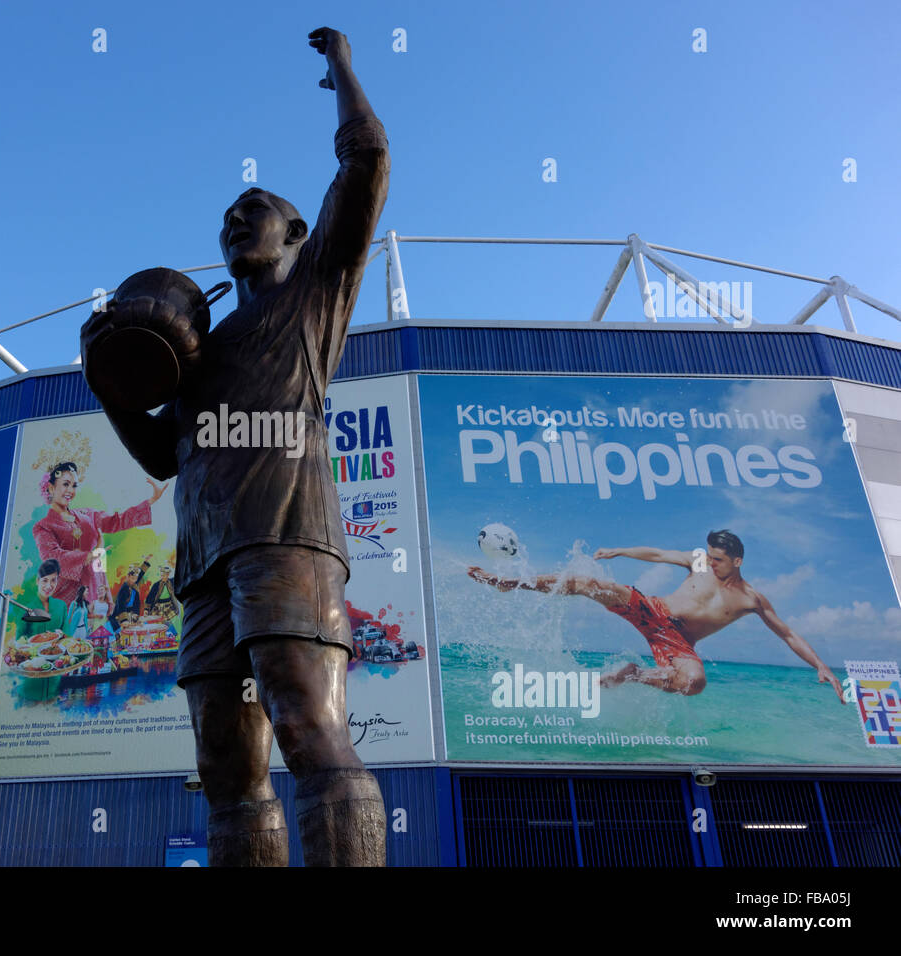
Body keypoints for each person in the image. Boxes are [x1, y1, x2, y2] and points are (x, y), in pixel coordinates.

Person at [82, 27, 389, 866]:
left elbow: (366, 160)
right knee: (226, 769)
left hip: (287, 542)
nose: (235, 220)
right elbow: (158, 457)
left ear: (295, 232)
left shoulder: (315, 293)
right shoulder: (199, 355)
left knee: (306, 727)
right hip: (205, 568)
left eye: (254, 210)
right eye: (226, 219)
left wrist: (341, 68)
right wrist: (109, 388)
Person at [466, 529, 845, 702]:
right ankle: (511, 583)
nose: (710, 563)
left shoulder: (752, 599)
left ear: (738, 562)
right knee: (587, 582)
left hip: (676, 642)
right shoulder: (698, 561)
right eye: (709, 556)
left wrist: (820, 665)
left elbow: (788, 633)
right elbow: (659, 555)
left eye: (718, 560)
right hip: (653, 609)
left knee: (694, 682)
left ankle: (632, 675)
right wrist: (619, 550)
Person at [31, 459, 167, 608]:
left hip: (95, 594)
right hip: (65, 600)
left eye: (74, 485)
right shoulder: (43, 527)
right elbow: (52, 557)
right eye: (65, 484)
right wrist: (88, 556)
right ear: (51, 488)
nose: (70, 490)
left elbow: (116, 521)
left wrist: (150, 501)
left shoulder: (88, 515)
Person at [17, 559, 68, 639]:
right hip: (31, 650)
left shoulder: (61, 606)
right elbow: (19, 640)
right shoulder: (26, 608)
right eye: (45, 580)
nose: (49, 586)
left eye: (53, 580)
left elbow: (66, 636)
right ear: (37, 581)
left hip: (58, 650)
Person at [109, 557, 151, 629]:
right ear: (128, 576)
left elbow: (140, 574)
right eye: (132, 578)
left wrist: (145, 562)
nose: (134, 580)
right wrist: (124, 620)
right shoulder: (124, 588)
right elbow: (121, 605)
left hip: (131, 613)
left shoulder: (134, 584)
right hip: (121, 615)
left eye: (136, 579)